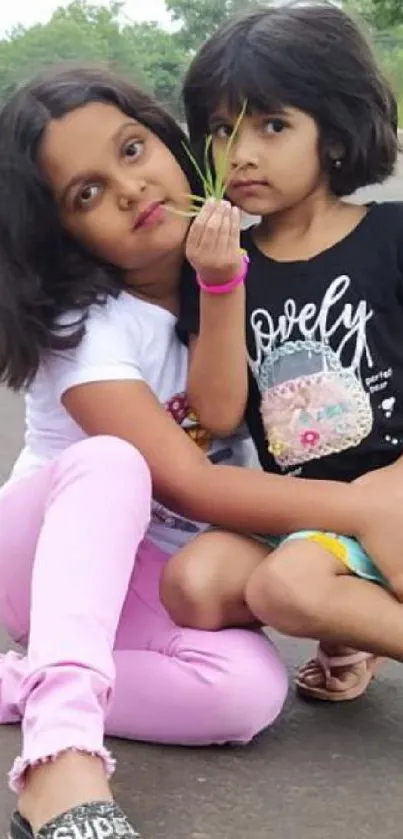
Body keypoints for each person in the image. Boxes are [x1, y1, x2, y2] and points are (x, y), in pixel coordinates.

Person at [0, 63, 394, 839]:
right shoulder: (86, 334)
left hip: (157, 582)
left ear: (174, 146)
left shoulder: (232, 273)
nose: (129, 188)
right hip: (45, 557)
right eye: (85, 193)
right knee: (120, 462)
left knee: (243, 697)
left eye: (134, 148)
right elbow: (185, 481)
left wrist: (343, 579)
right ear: (59, 230)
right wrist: (365, 509)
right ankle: (58, 758)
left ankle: (28, 678)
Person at [174, 2, 403, 704]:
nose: (240, 152)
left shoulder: (388, 236)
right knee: (193, 584)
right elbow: (217, 411)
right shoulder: (218, 262)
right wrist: (218, 285)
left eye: (272, 125)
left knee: (285, 587)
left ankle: (353, 617)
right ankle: (353, 619)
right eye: (221, 129)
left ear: (333, 134)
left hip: (392, 487)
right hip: (304, 510)